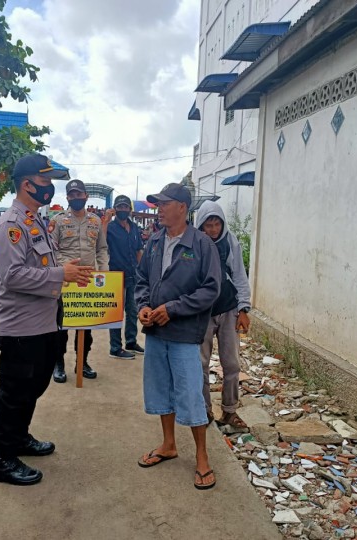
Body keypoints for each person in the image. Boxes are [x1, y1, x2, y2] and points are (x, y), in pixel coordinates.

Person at [0, 154, 94, 486]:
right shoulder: (11, 225)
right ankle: (3, 459)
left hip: (43, 323)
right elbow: (14, 276)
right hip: (21, 326)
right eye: (46, 182)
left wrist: (65, 273)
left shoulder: (35, 220)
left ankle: (19, 438)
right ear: (27, 184)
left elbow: (41, 268)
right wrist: (61, 273)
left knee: (34, 385)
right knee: (15, 391)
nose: (51, 189)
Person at [135, 183, 221, 490]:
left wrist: (173, 308)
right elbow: (142, 279)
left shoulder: (201, 244)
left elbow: (211, 289)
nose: (158, 208)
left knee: (190, 395)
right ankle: (168, 445)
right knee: (161, 391)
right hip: (156, 332)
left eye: (164, 203)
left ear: (182, 207)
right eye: (158, 204)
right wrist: (144, 306)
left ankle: (202, 457)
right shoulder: (156, 240)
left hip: (184, 334)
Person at [195, 200, 251, 428]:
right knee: (200, 364)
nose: (213, 229)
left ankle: (229, 411)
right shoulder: (194, 244)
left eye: (217, 224)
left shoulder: (230, 242)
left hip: (228, 310)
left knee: (231, 363)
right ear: (201, 225)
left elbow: (239, 275)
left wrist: (244, 308)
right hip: (202, 313)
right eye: (208, 225)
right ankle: (204, 410)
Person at [51, 179, 109, 382]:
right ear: (67, 197)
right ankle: (58, 364)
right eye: (72, 195)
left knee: (86, 327)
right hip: (65, 282)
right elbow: (52, 250)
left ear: (86, 196)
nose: (76, 198)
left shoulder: (95, 221)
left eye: (79, 194)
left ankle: (82, 363)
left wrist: (104, 272)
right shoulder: (58, 221)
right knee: (61, 327)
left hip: (89, 280)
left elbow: (101, 249)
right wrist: (63, 268)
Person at [106, 194, 145, 359]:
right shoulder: (110, 227)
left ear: (129, 209)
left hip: (133, 274)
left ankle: (131, 341)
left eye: (125, 207)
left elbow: (138, 250)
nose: (123, 210)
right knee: (116, 313)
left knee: (132, 310)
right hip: (116, 275)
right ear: (115, 209)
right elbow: (100, 242)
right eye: (119, 207)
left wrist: (143, 272)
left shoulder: (134, 227)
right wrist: (105, 220)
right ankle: (115, 347)